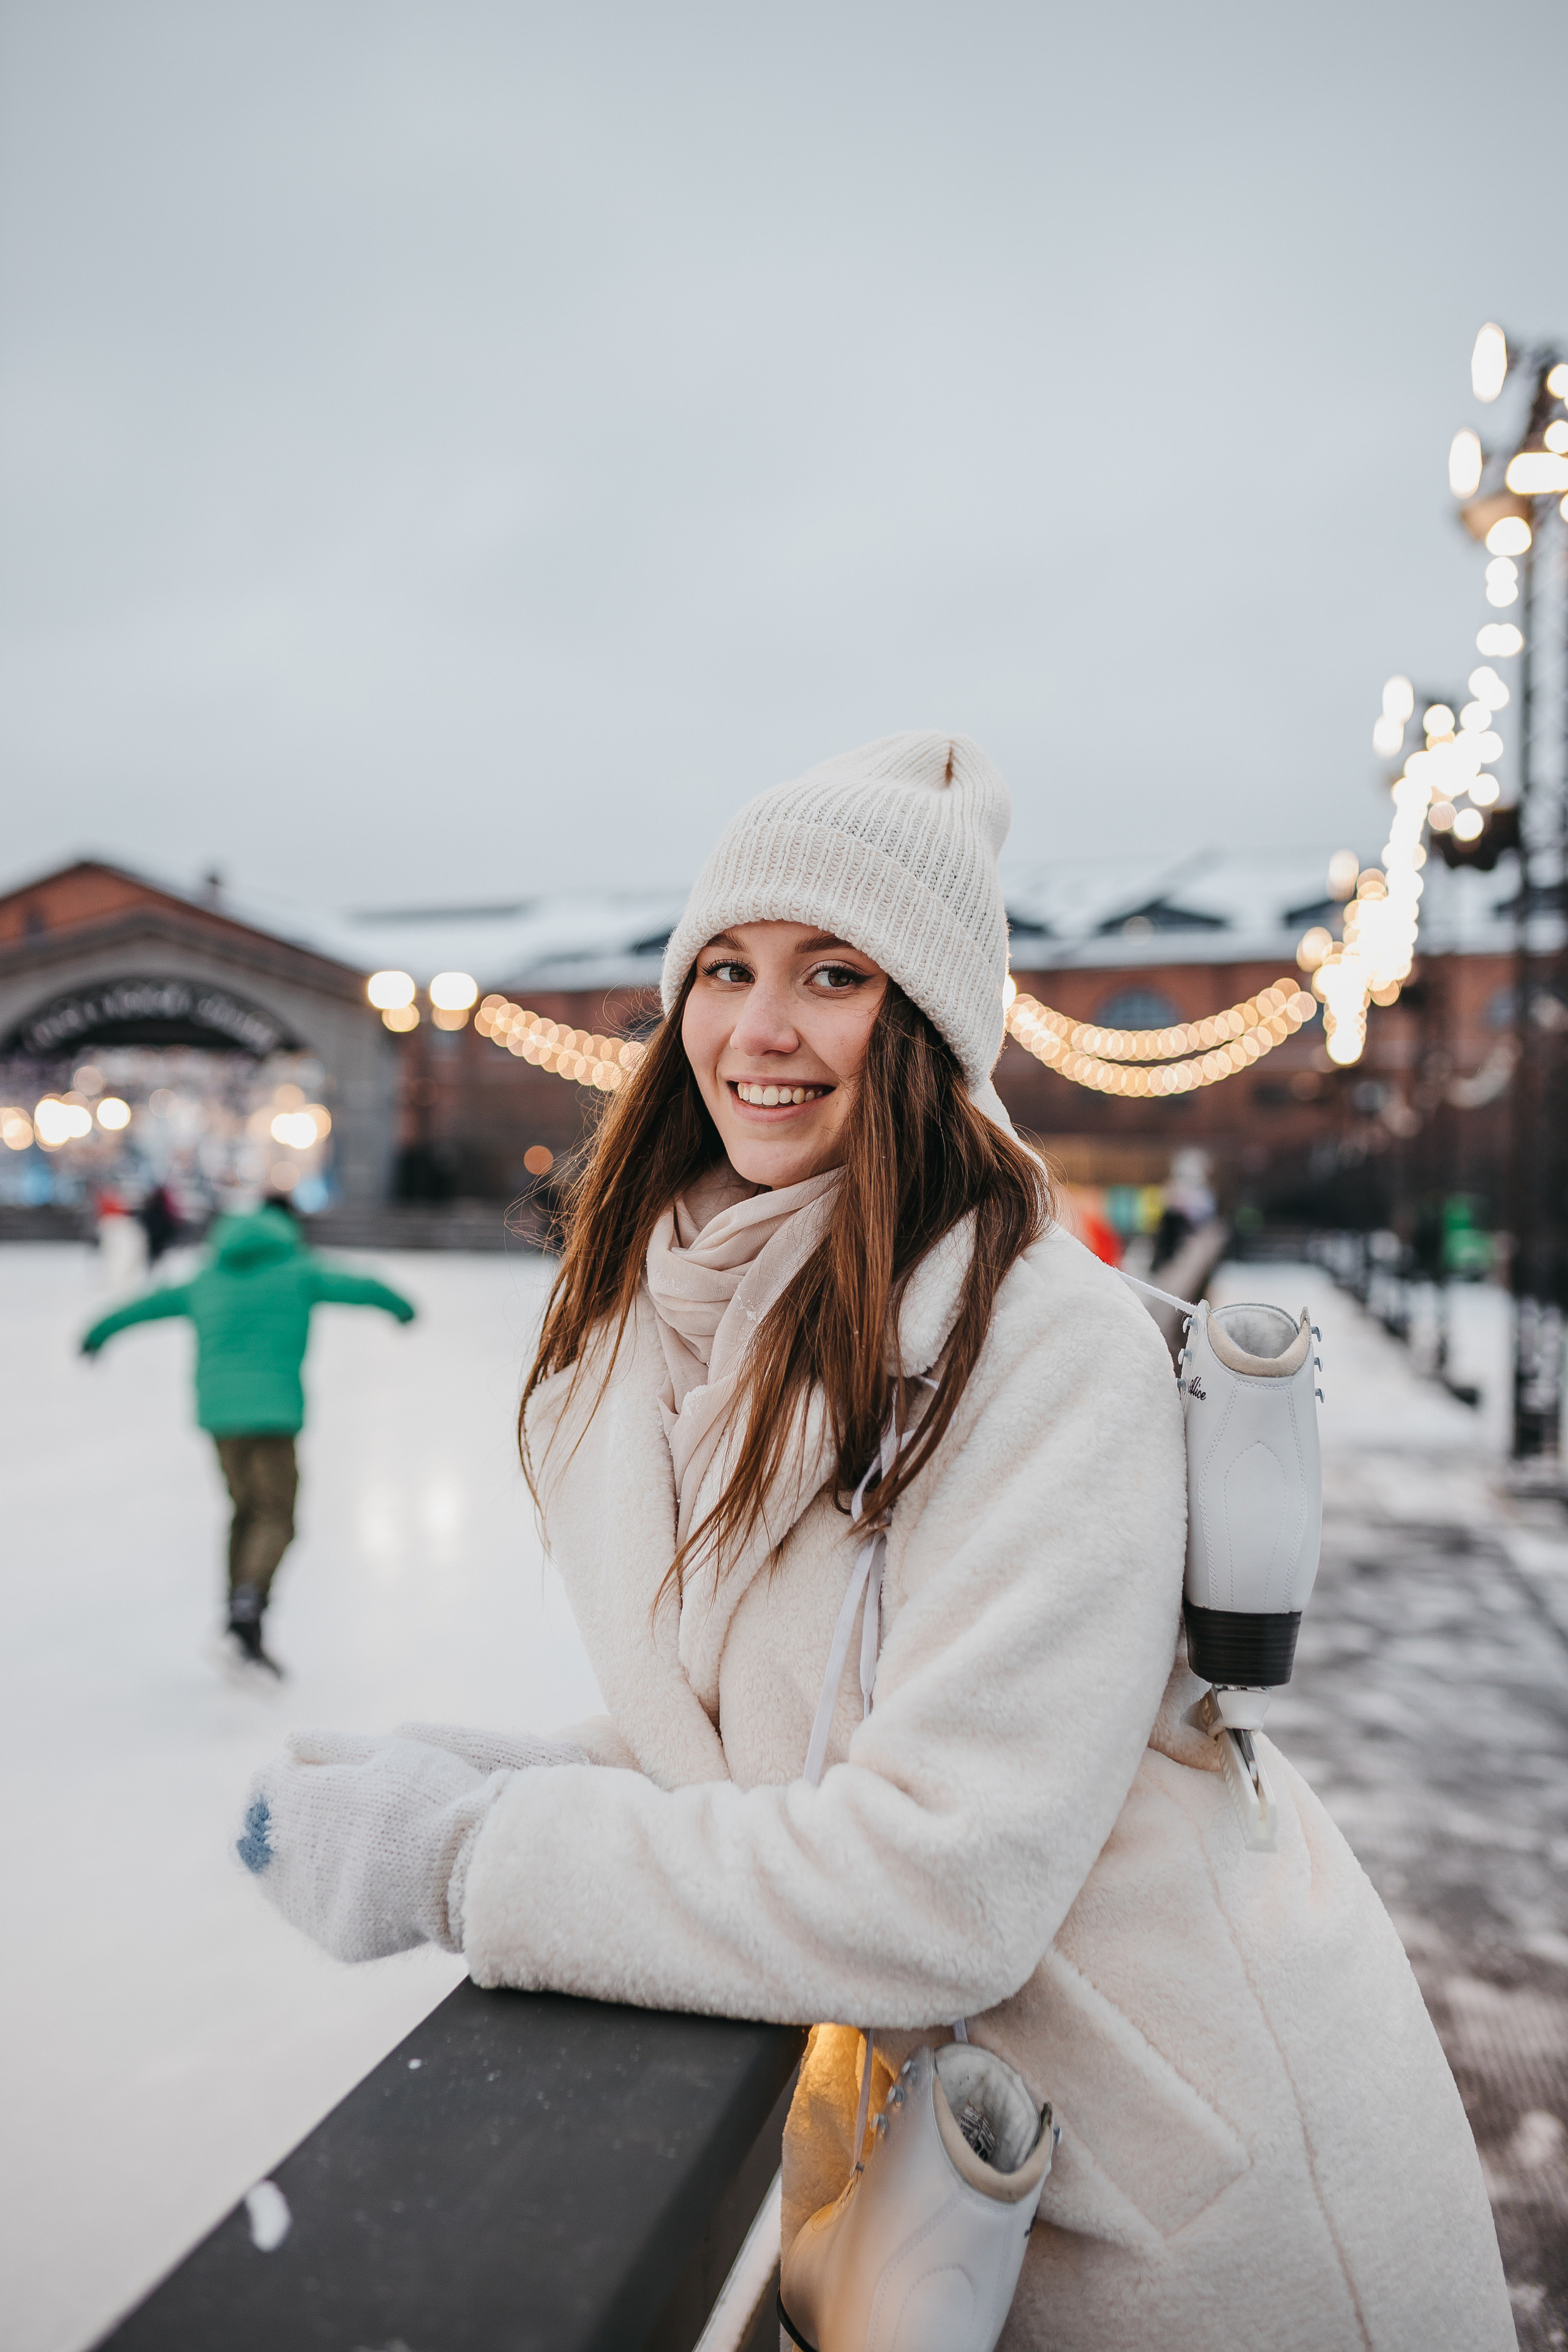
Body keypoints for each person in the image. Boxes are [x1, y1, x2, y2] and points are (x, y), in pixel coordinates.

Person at [238, 734, 1512, 2348]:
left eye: (831, 974)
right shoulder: (694, 1325)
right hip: (965, 2190)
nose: (757, 1030)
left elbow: (938, 1880)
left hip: (1200, 2203)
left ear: (923, 1023)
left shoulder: (1038, 1345)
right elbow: (760, 1748)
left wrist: (467, 1858)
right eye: (724, 968)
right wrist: (459, 1777)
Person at [81, 1198, 416, 1674]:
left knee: (245, 1511)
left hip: (220, 1417)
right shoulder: (298, 1270)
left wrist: (97, 1333)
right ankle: (247, 1611)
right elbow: (362, 1286)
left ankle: (238, 1616)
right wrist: (402, 1309)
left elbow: (146, 1306)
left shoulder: (208, 1277)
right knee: (276, 1516)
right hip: (274, 1415)